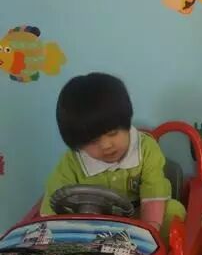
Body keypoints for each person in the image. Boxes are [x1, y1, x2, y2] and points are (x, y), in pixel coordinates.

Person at [40, 72, 186, 239]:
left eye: (113, 133)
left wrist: (149, 231)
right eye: (93, 141)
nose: (106, 145)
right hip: (91, 225)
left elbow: (153, 191)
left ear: (126, 122)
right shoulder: (72, 162)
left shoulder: (146, 149)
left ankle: (159, 254)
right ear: (78, 143)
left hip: (139, 218)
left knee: (174, 211)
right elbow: (53, 201)